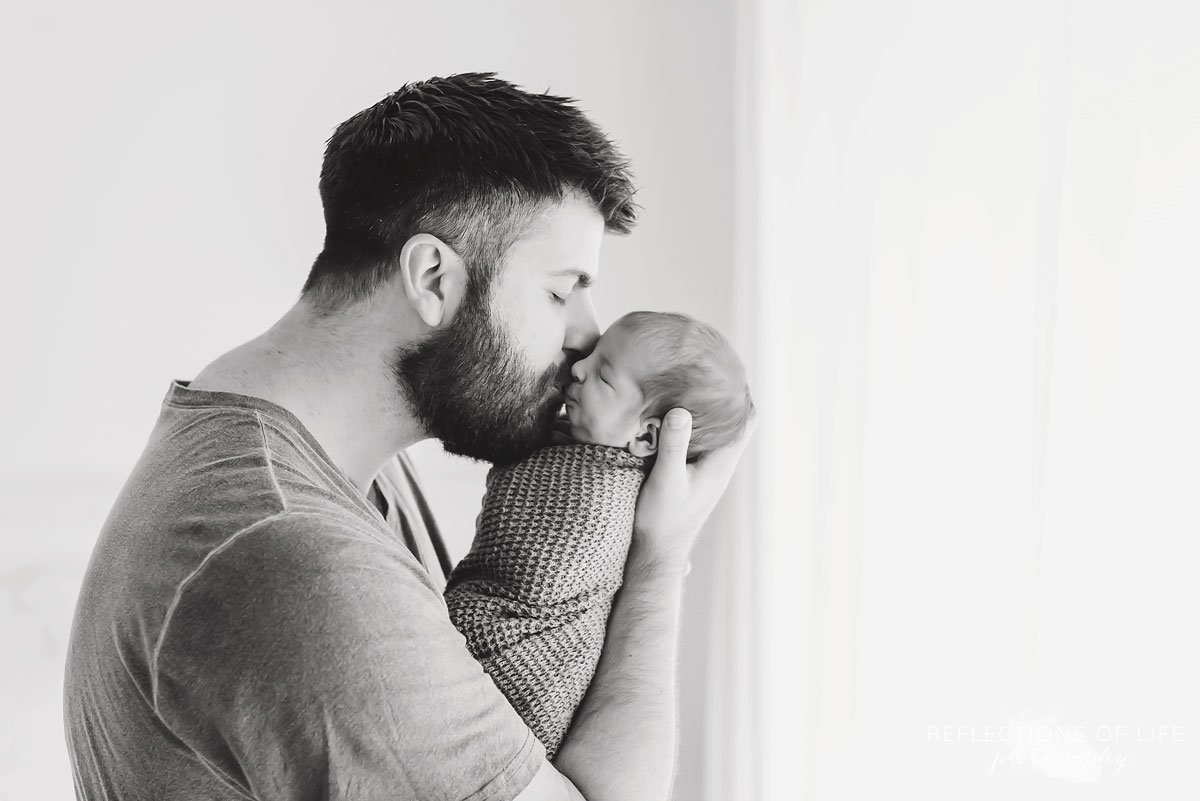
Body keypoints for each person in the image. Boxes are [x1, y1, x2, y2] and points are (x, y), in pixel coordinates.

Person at [63, 73, 753, 801]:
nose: (584, 334)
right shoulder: (294, 559)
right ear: (432, 276)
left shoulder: (332, 468)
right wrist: (660, 559)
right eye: (560, 290)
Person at [445, 311, 754, 757]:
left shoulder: (601, 495)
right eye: (593, 356)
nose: (578, 368)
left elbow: (540, 575)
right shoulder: (579, 454)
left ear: (647, 438)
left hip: (524, 677)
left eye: (603, 377)